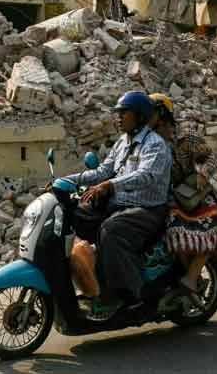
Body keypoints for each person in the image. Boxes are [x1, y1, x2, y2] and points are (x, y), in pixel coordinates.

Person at [62, 90, 172, 317]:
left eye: (124, 113)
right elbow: (103, 171)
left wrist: (110, 185)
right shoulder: (123, 142)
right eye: (118, 113)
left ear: (140, 116)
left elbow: (146, 176)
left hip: (147, 209)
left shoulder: (155, 145)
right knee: (77, 214)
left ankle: (126, 294)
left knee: (111, 229)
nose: (118, 117)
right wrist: (64, 181)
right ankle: (90, 276)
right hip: (120, 204)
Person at [163, 133, 217, 308]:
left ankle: (191, 278)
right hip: (169, 199)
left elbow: (212, 159)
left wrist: (203, 174)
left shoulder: (186, 139)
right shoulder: (145, 140)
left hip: (195, 196)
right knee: (172, 234)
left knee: (211, 232)